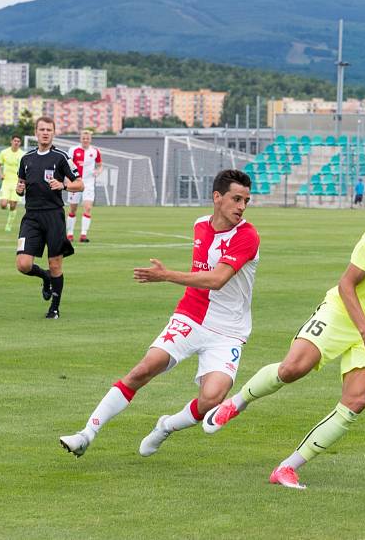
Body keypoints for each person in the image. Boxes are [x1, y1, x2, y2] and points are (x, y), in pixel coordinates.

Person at [201, 177, 365, 489]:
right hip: (341, 311)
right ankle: (237, 402)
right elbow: (347, 284)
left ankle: (288, 467)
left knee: (357, 401)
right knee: (292, 369)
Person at [60, 169, 259, 459]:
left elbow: (217, 279)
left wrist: (166, 275)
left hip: (229, 331)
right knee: (143, 369)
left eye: (246, 201)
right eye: (236, 199)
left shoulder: (247, 236)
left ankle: (165, 426)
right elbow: (203, 279)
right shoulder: (200, 225)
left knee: (211, 399)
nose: (242, 207)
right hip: (191, 316)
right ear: (217, 197)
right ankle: (85, 434)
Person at [15, 116, 84, 319]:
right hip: (31, 217)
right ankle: (44, 277)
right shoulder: (26, 159)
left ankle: (54, 307)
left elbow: (80, 184)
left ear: (54, 133)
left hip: (54, 216)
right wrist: (19, 190)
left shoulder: (61, 158)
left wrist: (63, 185)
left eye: (49, 130)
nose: (45, 133)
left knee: (55, 264)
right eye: (42, 129)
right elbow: (21, 186)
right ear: (36, 132)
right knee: (23, 264)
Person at [66, 130, 103, 243]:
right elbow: (68, 164)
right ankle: (70, 234)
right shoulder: (73, 150)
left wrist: (98, 171)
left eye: (87, 138)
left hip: (89, 183)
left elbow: (100, 165)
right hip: (75, 182)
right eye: (83, 138)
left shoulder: (95, 151)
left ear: (90, 139)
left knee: (87, 207)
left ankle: (83, 235)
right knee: (73, 209)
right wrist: (68, 179)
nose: (85, 140)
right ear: (80, 139)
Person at [0, 135, 24, 232]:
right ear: (11, 141)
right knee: (3, 204)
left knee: (13, 206)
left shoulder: (22, 154)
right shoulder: (4, 152)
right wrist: (0, 174)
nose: (16, 142)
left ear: (20, 143)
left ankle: (8, 225)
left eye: (18, 141)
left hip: (17, 182)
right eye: (15, 140)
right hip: (6, 182)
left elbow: (25, 169)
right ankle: (8, 206)